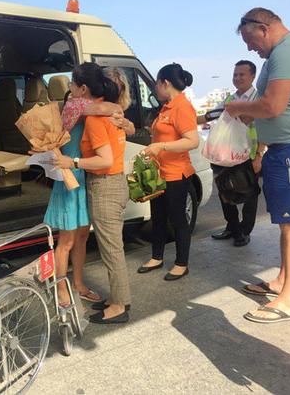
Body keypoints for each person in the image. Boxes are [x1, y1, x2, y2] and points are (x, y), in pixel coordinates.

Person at [226, 8, 290, 323]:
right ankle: (282, 281)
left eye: (251, 41)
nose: (250, 48)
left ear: (263, 28)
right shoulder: (279, 53)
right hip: (283, 149)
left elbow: (273, 104)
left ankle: (288, 301)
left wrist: (237, 107)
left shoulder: (288, 50)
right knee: (287, 224)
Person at [45, 67, 134, 307]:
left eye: (71, 84)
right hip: (70, 176)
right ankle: (61, 289)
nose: (69, 88)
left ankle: (78, 284)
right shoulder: (74, 104)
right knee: (66, 240)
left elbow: (125, 124)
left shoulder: (92, 108)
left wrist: (124, 121)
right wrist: (119, 110)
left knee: (82, 237)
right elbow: (105, 109)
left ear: (83, 88)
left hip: (86, 176)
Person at [138, 63, 199, 281]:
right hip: (159, 173)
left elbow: (192, 141)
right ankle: (157, 257)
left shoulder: (182, 106)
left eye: (156, 83)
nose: (155, 87)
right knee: (158, 218)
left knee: (177, 220)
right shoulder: (167, 107)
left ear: (166, 83)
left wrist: (161, 146)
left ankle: (181, 264)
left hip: (176, 174)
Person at [198, 60, 265, 247]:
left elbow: (265, 127)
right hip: (228, 156)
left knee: (250, 194)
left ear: (253, 76)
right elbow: (212, 115)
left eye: (242, 74)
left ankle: (244, 231)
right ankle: (232, 227)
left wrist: (259, 155)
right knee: (225, 191)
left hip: (250, 154)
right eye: (235, 74)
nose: (237, 78)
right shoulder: (229, 100)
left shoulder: (259, 99)